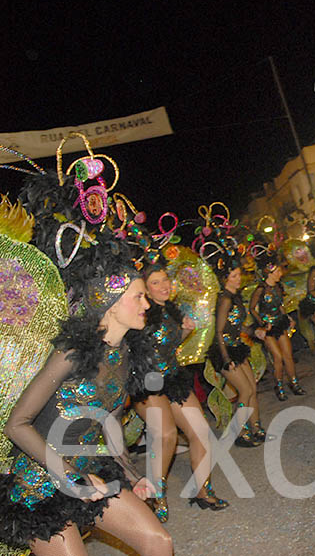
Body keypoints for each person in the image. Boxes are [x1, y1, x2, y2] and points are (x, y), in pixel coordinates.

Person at [1, 165, 174, 555]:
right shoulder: (71, 353)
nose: (147, 304)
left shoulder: (126, 353)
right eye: (138, 297)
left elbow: (109, 427)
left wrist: (132, 477)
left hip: (90, 469)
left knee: (158, 541)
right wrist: (70, 481)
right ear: (109, 305)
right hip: (41, 480)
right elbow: (18, 424)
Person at [134, 260, 228, 520]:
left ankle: (202, 490)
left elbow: (167, 344)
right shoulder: (140, 313)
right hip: (145, 382)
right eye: (156, 282)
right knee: (165, 435)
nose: (163, 286)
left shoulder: (172, 310)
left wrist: (185, 331)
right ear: (145, 289)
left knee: (201, 432)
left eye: (165, 280)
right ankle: (156, 494)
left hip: (172, 378)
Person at [208, 252, 267, 447]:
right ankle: (239, 431)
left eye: (239, 274)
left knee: (253, 388)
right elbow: (218, 331)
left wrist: (253, 331)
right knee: (245, 390)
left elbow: (235, 326)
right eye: (234, 276)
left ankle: (255, 426)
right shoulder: (225, 299)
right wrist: (226, 358)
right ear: (225, 279)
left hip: (236, 347)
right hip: (223, 351)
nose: (238, 278)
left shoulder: (235, 297)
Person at [250, 253, 304, 401]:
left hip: (279, 324)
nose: (281, 273)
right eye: (278, 271)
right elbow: (252, 308)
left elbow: (280, 305)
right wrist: (262, 323)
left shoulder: (279, 287)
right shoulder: (260, 290)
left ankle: (294, 383)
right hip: (267, 329)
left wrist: (287, 318)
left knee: (288, 355)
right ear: (269, 273)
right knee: (278, 357)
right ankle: (279, 386)